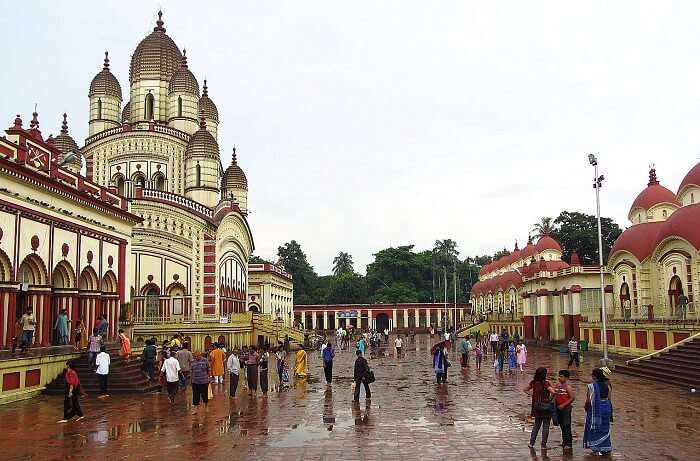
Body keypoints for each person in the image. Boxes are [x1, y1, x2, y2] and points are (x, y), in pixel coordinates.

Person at [583, 368, 613, 455]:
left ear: (594, 376)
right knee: (604, 428)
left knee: (594, 427)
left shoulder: (592, 387)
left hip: (595, 409)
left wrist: (586, 407)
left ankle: (596, 447)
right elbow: (609, 399)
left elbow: (588, 401)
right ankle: (606, 447)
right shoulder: (607, 385)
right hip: (606, 408)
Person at [524, 367, 554, 450]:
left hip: (536, 406)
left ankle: (531, 443)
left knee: (536, 425)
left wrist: (532, 395)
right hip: (545, 407)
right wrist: (550, 399)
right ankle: (543, 445)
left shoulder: (534, 383)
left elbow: (525, 389)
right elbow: (553, 392)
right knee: (545, 426)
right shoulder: (546, 383)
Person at [554, 369, 576, 451]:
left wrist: (563, 405)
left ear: (566, 378)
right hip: (558, 408)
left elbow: (572, 398)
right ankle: (564, 441)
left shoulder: (568, 386)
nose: (559, 378)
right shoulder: (557, 385)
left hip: (566, 409)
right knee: (562, 426)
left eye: (561, 376)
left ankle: (568, 443)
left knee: (566, 425)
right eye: (559, 376)